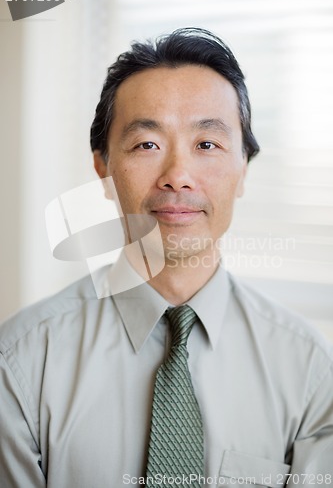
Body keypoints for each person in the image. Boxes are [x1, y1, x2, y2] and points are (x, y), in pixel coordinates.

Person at [0, 27, 332, 488]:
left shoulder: (311, 370)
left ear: (243, 169)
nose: (177, 176)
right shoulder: (18, 364)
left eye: (207, 145)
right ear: (102, 165)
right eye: (147, 145)